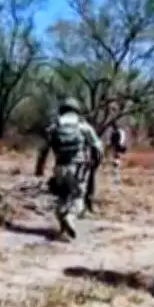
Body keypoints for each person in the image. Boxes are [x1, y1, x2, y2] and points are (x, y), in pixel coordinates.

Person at [35, 97, 104, 239]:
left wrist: (39, 168)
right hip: (79, 168)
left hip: (60, 167)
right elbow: (97, 146)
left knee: (62, 196)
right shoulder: (83, 126)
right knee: (78, 197)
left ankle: (62, 225)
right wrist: (96, 162)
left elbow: (43, 150)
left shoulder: (54, 127)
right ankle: (70, 217)